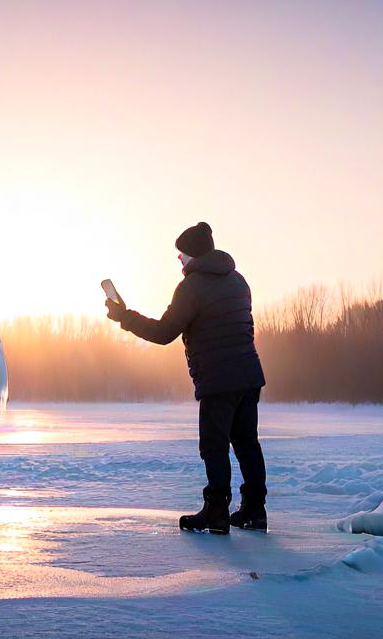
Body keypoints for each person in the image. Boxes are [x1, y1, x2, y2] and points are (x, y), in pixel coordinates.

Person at [105, 222, 267, 534]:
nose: (179, 260)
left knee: (214, 445)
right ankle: (255, 510)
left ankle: (217, 511)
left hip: (219, 380)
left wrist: (124, 317)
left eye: (181, 255)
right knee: (247, 442)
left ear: (192, 255)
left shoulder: (192, 287)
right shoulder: (238, 280)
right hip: (249, 374)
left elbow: (164, 332)